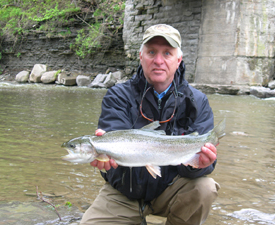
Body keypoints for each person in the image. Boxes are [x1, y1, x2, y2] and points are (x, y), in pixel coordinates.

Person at [80, 24, 220, 225]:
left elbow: (202, 165)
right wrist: (105, 157)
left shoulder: (197, 101)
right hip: (123, 194)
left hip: (171, 190)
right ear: (141, 56)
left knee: (205, 187)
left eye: (167, 53)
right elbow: (111, 140)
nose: (158, 61)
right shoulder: (118, 96)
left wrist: (201, 164)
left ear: (178, 60)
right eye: (151, 52)